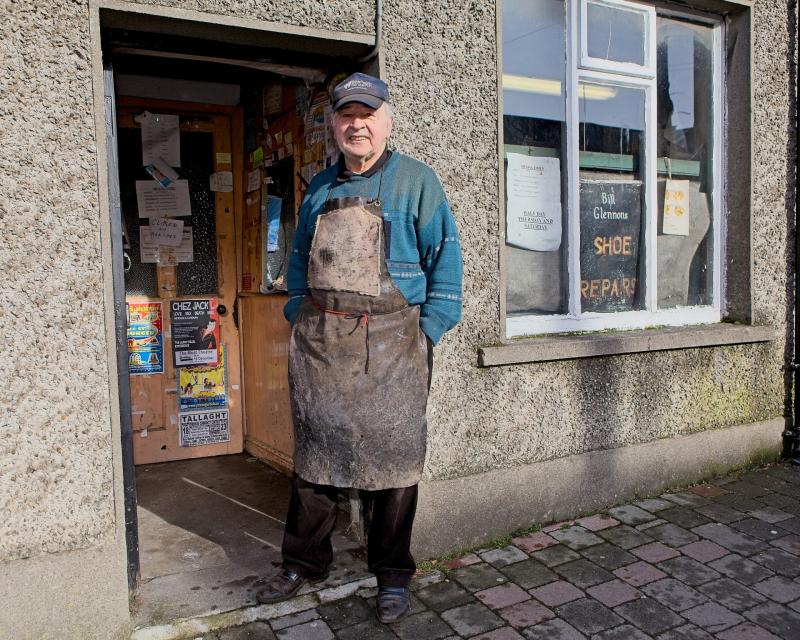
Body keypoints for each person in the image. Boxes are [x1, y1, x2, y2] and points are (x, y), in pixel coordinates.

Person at [256, 72, 463, 623]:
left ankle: (392, 575)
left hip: (396, 345)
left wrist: (429, 328)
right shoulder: (320, 187)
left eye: (366, 115)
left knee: (393, 467)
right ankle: (303, 564)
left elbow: (446, 258)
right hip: (323, 345)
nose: (357, 125)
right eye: (347, 116)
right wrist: (297, 310)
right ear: (333, 125)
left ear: (386, 121)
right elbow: (298, 258)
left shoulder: (417, 181)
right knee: (315, 463)